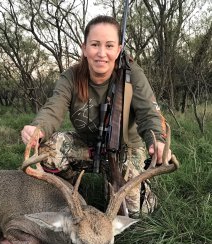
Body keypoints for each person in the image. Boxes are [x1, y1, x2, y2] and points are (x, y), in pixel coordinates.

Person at [21, 15, 171, 217]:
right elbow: (53, 108)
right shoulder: (72, 76)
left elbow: (149, 114)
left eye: (109, 46)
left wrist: (157, 142)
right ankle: (70, 190)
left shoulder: (132, 74)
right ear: (84, 48)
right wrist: (37, 129)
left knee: (135, 212)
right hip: (88, 146)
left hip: (125, 148)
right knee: (48, 150)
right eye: (95, 45)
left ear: (118, 49)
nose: (102, 53)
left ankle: (142, 190)